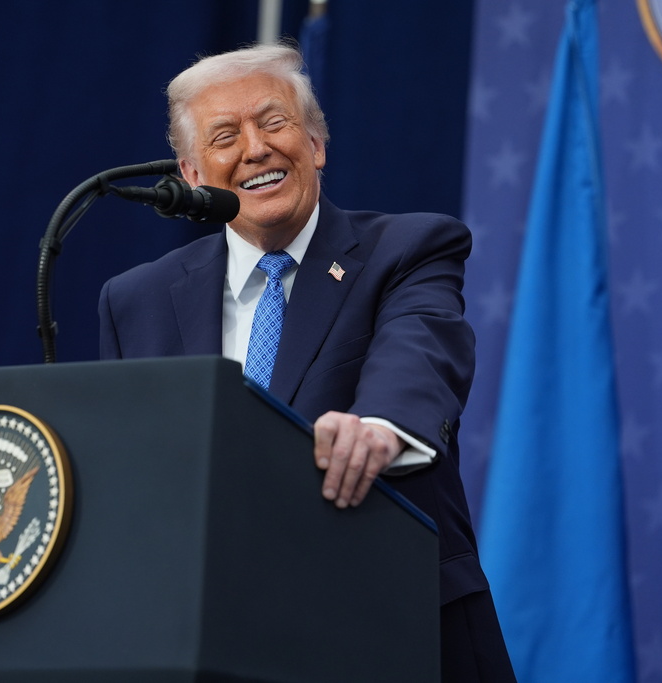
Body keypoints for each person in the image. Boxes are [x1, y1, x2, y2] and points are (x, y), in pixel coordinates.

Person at [98, 43, 516, 681]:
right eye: (225, 137)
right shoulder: (137, 301)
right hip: (211, 641)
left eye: (274, 123)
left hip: (390, 627)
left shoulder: (407, 249)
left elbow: (421, 350)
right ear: (191, 174)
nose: (255, 149)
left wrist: (378, 427)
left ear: (316, 144)